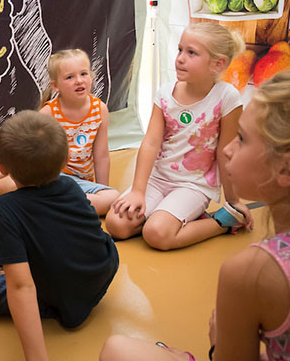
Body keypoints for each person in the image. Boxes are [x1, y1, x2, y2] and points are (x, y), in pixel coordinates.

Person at [99, 69, 290, 361]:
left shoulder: (251, 273)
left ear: (284, 170)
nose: (226, 151)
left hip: (191, 187)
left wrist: (217, 345)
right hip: (160, 183)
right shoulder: (166, 93)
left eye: (241, 138)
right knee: (121, 222)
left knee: (115, 350)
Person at [0, 110, 119, 360]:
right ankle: (0, 252)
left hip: (54, 296)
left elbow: (21, 287)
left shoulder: (2, 209)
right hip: (100, 274)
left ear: (0, 166)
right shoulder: (71, 186)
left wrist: (37, 357)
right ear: (64, 164)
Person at [105, 23, 252, 250]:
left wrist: (233, 202)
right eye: (180, 49)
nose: (180, 58)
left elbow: (226, 152)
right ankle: (169, 214)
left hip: (193, 185)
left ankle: (222, 222)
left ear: (218, 63)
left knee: (157, 234)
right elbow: (151, 144)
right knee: (116, 225)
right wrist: (138, 191)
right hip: (158, 178)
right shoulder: (165, 93)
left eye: (191, 52)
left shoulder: (227, 97)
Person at [0, 48, 120, 215]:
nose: (79, 80)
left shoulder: (100, 109)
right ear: (55, 86)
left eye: (84, 74)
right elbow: (22, 153)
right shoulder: (48, 113)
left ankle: (54, 204)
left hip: (81, 184)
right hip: (47, 179)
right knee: (16, 184)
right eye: (70, 77)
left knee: (113, 198)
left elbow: (102, 155)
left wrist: (102, 189)